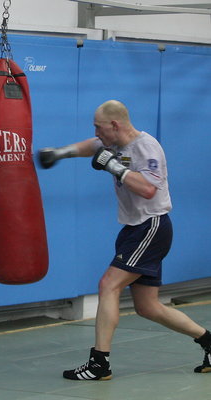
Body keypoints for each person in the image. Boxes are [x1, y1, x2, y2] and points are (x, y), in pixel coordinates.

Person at [38, 99, 211, 381]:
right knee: (147, 307)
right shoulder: (112, 143)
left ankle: (99, 364)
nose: (96, 132)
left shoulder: (146, 147)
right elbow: (92, 147)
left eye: (99, 127)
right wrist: (60, 153)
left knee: (108, 285)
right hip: (134, 229)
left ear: (115, 125)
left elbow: (148, 190)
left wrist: (115, 168)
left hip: (151, 227)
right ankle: (209, 342)